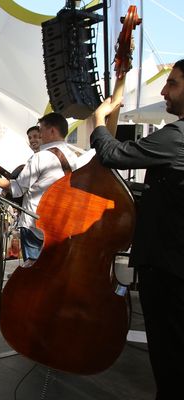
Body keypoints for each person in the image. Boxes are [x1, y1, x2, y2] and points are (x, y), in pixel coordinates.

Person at [90, 59, 184, 399]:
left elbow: (114, 154)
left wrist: (100, 120)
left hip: (169, 270)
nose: (163, 90)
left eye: (172, 83)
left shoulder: (177, 136)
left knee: (170, 363)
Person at [0, 112, 78, 267]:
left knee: (34, 272)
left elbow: (16, 188)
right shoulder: (74, 157)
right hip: (60, 225)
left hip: (34, 225)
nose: (40, 135)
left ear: (52, 131)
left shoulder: (40, 157)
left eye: (41, 130)